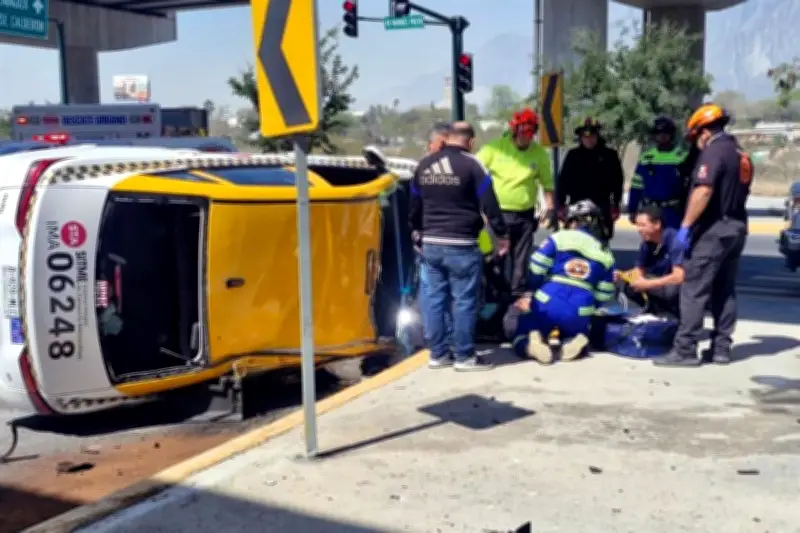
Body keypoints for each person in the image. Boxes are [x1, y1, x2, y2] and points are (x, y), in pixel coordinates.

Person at [654, 103, 752, 367]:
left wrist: (686, 226)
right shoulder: (739, 152)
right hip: (736, 228)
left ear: (704, 132)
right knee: (724, 289)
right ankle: (721, 348)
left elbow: (704, 191)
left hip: (713, 231)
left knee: (693, 288)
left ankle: (685, 349)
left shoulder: (713, 153)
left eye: (696, 136)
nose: (696, 142)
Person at [409, 121, 509, 371]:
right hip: (462, 242)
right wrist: (502, 234)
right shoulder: (472, 165)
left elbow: (413, 205)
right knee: (464, 300)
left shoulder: (424, 165)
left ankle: (438, 354)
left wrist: (418, 231)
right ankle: (464, 356)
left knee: (433, 300)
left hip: (431, 243)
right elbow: (489, 203)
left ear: (446, 139)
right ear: (471, 142)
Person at [502, 200, 616, 364]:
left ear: (573, 221)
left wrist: (532, 293)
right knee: (575, 328)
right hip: (581, 309)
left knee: (521, 328)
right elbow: (604, 294)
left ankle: (530, 344)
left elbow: (536, 266)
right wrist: (589, 307)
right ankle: (575, 340)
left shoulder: (559, 238)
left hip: (548, 302)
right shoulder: (605, 253)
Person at [476, 108, 555, 298]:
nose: (525, 138)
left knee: (520, 260)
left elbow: (547, 184)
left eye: (529, 134)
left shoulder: (539, 154)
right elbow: (474, 172)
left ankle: (516, 295)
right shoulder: (494, 149)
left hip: (525, 216)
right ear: (514, 130)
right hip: (497, 215)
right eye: (522, 133)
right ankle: (495, 294)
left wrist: (550, 207)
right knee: (495, 257)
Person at [557, 117, 624, 241]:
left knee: (600, 243)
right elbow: (563, 181)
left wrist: (615, 204)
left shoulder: (609, 156)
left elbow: (617, 182)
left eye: (592, 135)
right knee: (576, 242)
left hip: (601, 206)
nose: (589, 139)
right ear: (581, 137)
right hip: (576, 205)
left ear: (597, 135)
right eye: (585, 136)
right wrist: (560, 204)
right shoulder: (573, 155)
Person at [616, 205, 684, 317]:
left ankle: (672, 313)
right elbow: (639, 271)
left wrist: (648, 284)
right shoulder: (647, 243)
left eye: (643, 225)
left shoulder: (674, 241)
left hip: (680, 285)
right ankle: (654, 310)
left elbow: (679, 277)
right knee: (629, 286)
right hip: (660, 282)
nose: (639, 229)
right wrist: (623, 275)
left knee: (670, 291)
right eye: (637, 225)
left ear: (657, 224)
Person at [628, 117, 690, 229]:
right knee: (650, 244)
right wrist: (632, 209)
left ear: (672, 135)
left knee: (673, 245)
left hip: (673, 211)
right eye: (658, 133)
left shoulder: (682, 157)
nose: (662, 136)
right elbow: (637, 186)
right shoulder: (646, 158)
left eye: (666, 133)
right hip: (650, 210)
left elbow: (689, 187)